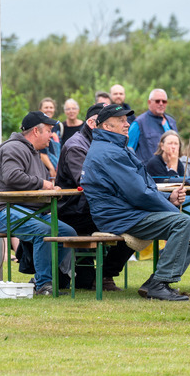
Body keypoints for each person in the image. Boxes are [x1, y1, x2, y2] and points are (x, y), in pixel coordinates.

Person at [81, 104, 190, 301]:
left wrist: (168, 197)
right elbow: (138, 194)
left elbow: (140, 188)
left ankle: (155, 281)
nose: (127, 124)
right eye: (121, 120)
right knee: (184, 223)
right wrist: (171, 208)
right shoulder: (109, 152)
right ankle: (160, 283)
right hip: (119, 217)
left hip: (127, 212)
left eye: (126, 119)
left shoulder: (116, 148)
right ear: (106, 126)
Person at [0, 111, 76, 295]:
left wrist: (52, 190)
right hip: (4, 211)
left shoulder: (34, 153)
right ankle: (44, 284)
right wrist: (43, 184)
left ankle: (41, 279)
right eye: (50, 131)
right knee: (44, 231)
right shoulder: (13, 148)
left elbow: (39, 185)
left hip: (31, 212)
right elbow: (12, 176)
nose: (53, 136)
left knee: (68, 233)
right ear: (36, 131)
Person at [55, 102, 134, 291]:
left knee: (138, 221)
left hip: (95, 208)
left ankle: (103, 275)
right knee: (133, 223)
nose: (126, 124)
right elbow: (87, 182)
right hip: (75, 213)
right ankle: (104, 275)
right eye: (117, 121)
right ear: (93, 123)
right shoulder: (76, 146)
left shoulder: (107, 142)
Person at [127, 88, 177, 164]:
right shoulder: (138, 123)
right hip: (148, 173)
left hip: (171, 171)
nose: (161, 103)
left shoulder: (171, 122)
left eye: (164, 101)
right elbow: (128, 151)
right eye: (157, 101)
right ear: (149, 102)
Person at [38, 97, 62, 175]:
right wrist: (51, 168)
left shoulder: (57, 126)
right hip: (43, 167)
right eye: (46, 107)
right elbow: (41, 152)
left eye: (51, 107)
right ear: (40, 110)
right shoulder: (38, 126)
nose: (49, 110)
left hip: (57, 166)